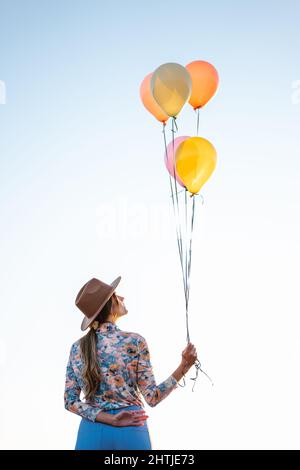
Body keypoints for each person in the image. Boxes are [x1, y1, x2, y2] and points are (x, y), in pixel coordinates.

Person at [64, 275, 198, 450]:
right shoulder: (134, 341)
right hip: (131, 425)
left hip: (91, 431)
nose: (122, 298)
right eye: (117, 295)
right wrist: (184, 367)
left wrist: (108, 418)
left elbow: (70, 401)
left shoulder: (77, 348)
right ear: (110, 304)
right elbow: (152, 397)